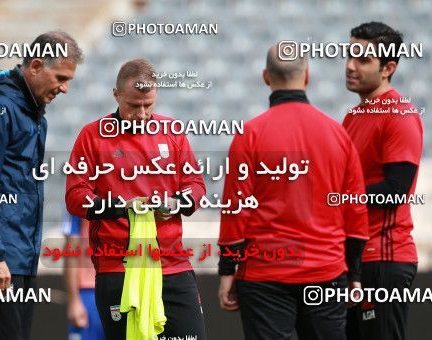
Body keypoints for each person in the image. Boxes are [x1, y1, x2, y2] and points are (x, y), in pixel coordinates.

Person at [217, 43, 369, 340]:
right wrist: (356, 275)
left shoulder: (249, 135)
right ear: (307, 76)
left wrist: (227, 271)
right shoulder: (338, 134)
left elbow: (236, 211)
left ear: (265, 77)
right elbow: (356, 209)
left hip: (264, 277)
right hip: (326, 273)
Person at [65, 58, 207, 339]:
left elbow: (196, 186)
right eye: (133, 106)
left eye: (148, 105)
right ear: (116, 95)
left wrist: (178, 202)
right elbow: (75, 197)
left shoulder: (173, 133)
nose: (142, 114)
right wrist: (121, 208)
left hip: (171, 264)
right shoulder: (92, 137)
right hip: (118, 266)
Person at [0, 31, 82, 340]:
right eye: (61, 77)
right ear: (37, 65)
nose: (66, 88)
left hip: (19, 255)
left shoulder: (34, 115)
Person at [343, 22, 423, 340]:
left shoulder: (399, 115)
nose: (350, 65)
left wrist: (335, 197)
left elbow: (395, 191)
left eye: (362, 59)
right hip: (355, 260)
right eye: (349, 55)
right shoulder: (353, 117)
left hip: (384, 259)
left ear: (388, 67)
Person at [62, 212, 105, 340]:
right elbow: (71, 249)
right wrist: (74, 299)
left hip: (125, 290)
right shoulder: (79, 199)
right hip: (88, 293)